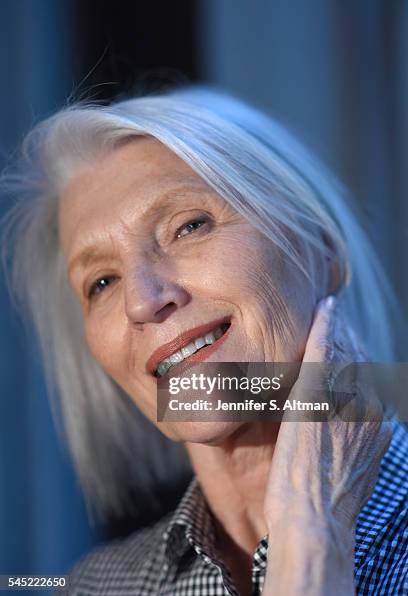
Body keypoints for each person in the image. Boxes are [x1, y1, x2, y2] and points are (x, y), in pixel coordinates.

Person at [2, 87, 407, 595]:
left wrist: (313, 532)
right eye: (102, 282)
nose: (142, 301)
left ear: (322, 248)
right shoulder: (91, 587)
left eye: (189, 226)